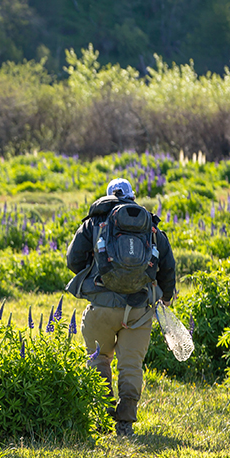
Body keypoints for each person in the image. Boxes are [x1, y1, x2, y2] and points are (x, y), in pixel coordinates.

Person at [65, 178, 176, 438]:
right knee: (131, 365)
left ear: (108, 196)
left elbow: (73, 260)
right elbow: (168, 267)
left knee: (99, 359)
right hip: (138, 311)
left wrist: (95, 271)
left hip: (101, 308)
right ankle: (125, 423)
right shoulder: (150, 227)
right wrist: (167, 297)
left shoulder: (93, 223)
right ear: (132, 196)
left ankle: (102, 413)